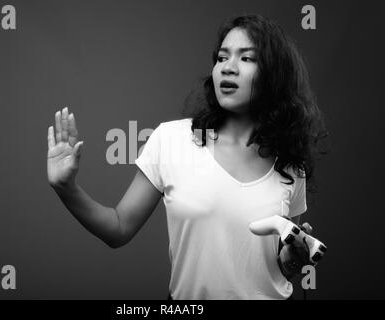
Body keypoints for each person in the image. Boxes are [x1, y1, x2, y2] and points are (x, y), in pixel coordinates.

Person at [46, 14, 328, 300]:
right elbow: (118, 228)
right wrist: (66, 188)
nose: (228, 68)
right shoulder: (172, 140)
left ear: (274, 75)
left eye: (246, 59)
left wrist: (291, 260)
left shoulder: (291, 165)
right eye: (221, 57)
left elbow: (276, 267)